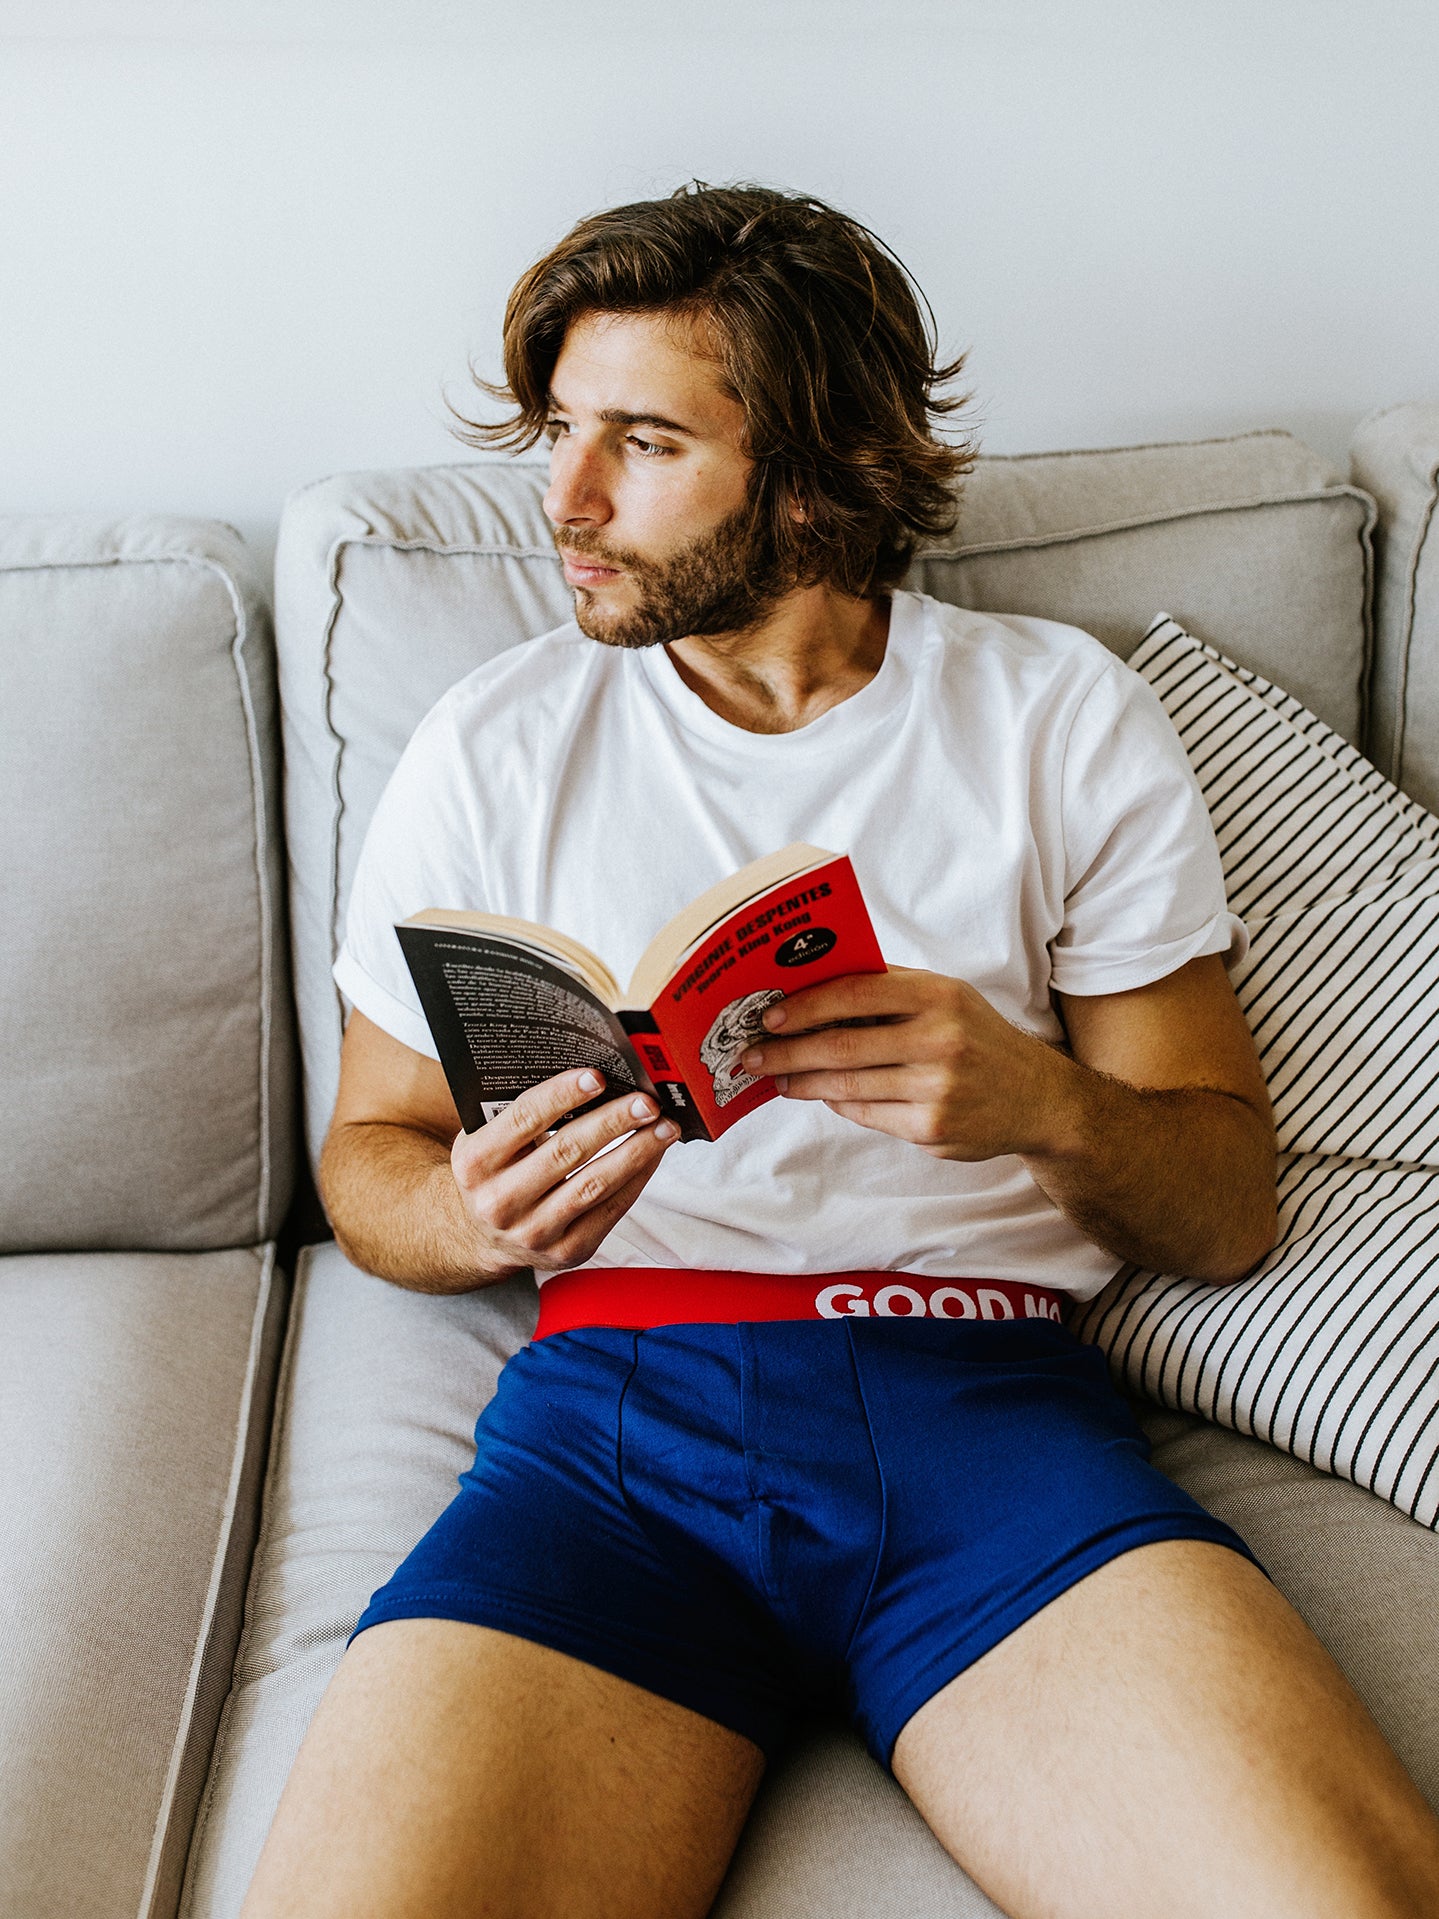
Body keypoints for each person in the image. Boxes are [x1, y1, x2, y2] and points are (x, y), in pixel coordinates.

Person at [241, 185, 1439, 1919]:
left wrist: (1036, 1103)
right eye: (560, 432)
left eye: (641, 443)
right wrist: (479, 1217)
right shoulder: (494, 742)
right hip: (613, 1428)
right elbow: (369, 1161)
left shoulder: (1052, 714)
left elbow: (1227, 1205)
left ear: (810, 470)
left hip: (984, 1415)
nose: (563, 503)